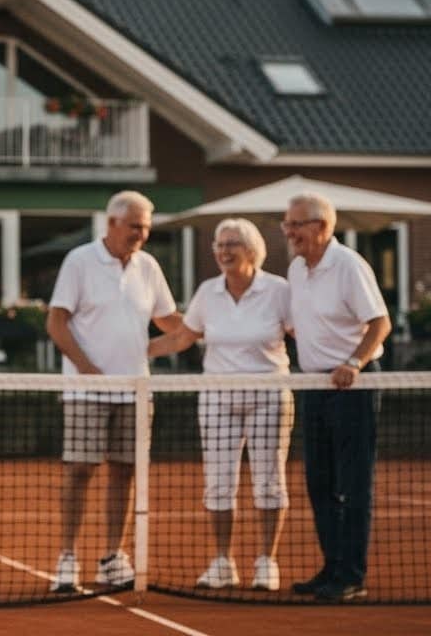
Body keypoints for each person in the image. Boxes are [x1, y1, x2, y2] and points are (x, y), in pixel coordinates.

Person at [45, 190, 183, 592]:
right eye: (135, 226)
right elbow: (56, 323)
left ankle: (111, 557)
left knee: (124, 471)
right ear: (112, 224)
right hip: (86, 390)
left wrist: (208, 326)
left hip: (135, 389)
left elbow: (167, 319)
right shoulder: (80, 261)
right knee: (79, 471)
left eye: (146, 227)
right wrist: (88, 370)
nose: (142, 233)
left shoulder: (149, 266)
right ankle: (67, 559)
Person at [146, 218, 293, 592]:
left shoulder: (279, 291)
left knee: (269, 482)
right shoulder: (208, 292)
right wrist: (137, 352)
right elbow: (183, 337)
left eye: (232, 244)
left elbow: (306, 332)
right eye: (219, 245)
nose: (224, 251)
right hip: (217, 399)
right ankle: (223, 562)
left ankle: (266, 562)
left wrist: (348, 358)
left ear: (251, 250)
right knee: (218, 484)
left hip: (269, 396)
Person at [281, 191, 391, 603]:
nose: (289, 232)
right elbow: (301, 322)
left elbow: (380, 323)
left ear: (321, 226)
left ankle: (351, 574)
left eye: (296, 224)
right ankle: (332, 566)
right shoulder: (296, 269)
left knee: (352, 483)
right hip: (314, 387)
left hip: (352, 388)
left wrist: (354, 363)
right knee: (319, 482)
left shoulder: (349, 266)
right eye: (287, 224)